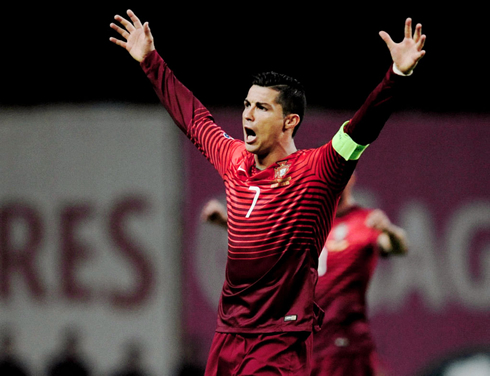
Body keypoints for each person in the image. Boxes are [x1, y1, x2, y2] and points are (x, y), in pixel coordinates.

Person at [110, 10, 426, 375]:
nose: (248, 115)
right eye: (247, 105)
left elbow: (363, 126)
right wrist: (150, 60)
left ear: (289, 121)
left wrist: (397, 76)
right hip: (228, 333)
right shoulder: (234, 160)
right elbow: (194, 118)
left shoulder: (317, 170)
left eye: (262, 108)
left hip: (280, 338)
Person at [201, 172, 408, 376]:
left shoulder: (365, 220)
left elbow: (397, 247)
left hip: (344, 345)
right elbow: (268, 237)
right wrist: (225, 222)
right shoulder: (309, 221)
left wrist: (389, 230)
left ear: (352, 177)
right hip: (305, 342)